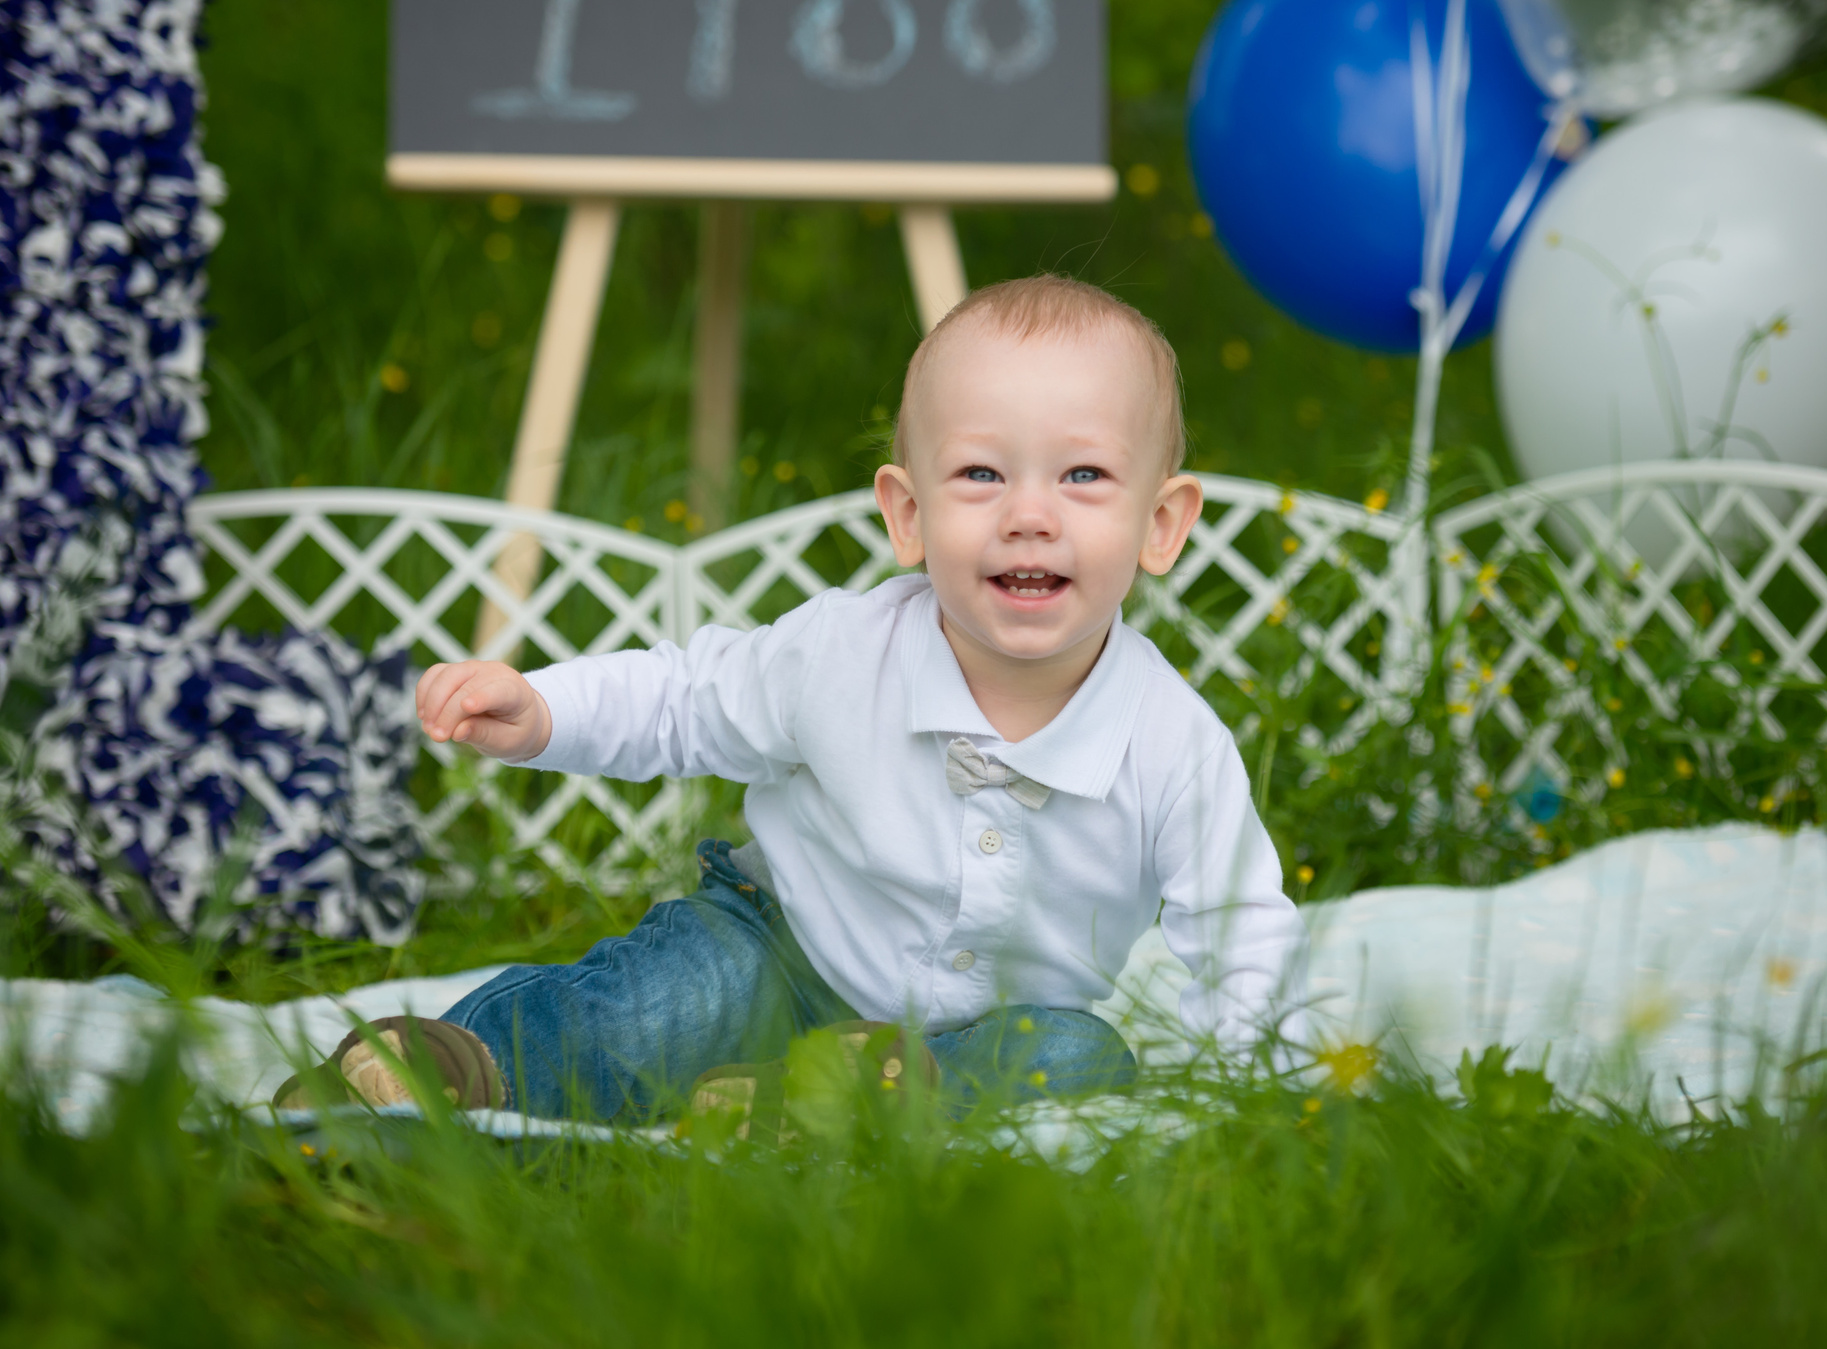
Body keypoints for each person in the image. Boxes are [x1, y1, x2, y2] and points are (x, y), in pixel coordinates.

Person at [282, 275, 1299, 1122]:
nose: (1028, 515)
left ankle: (808, 1104)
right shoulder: (843, 651)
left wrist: (1249, 1091)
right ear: (908, 512)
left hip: (972, 1032)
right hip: (777, 947)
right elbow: (686, 696)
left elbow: (1241, 925)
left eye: (1083, 474)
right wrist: (545, 709)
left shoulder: (1171, 741)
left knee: (1083, 1053)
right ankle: (456, 1065)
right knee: (667, 1000)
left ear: (1160, 524)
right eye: (981, 473)